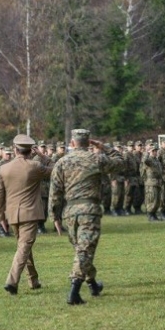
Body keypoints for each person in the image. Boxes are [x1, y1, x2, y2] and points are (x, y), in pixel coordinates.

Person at [49, 129, 124, 305]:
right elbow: (121, 162)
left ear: (72, 143)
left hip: (70, 212)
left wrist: (55, 217)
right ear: (89, 142)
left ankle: (92, 284)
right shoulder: (96, 159)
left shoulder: (62, 162)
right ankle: (74, 291)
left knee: (82, 249)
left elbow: (55, 192)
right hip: (89, 210)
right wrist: (104, 147)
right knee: (84, 250)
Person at [0, 134, 53, 295]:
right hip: (30, 214)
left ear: (15, 150)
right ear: (30, 151)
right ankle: (11, 282)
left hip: (12, 214)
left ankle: (33, 280)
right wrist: (42, 156)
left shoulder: (4, 168)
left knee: (24, 247)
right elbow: (56, 170)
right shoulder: (35, 166)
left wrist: (0, 216)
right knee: (23, 248)